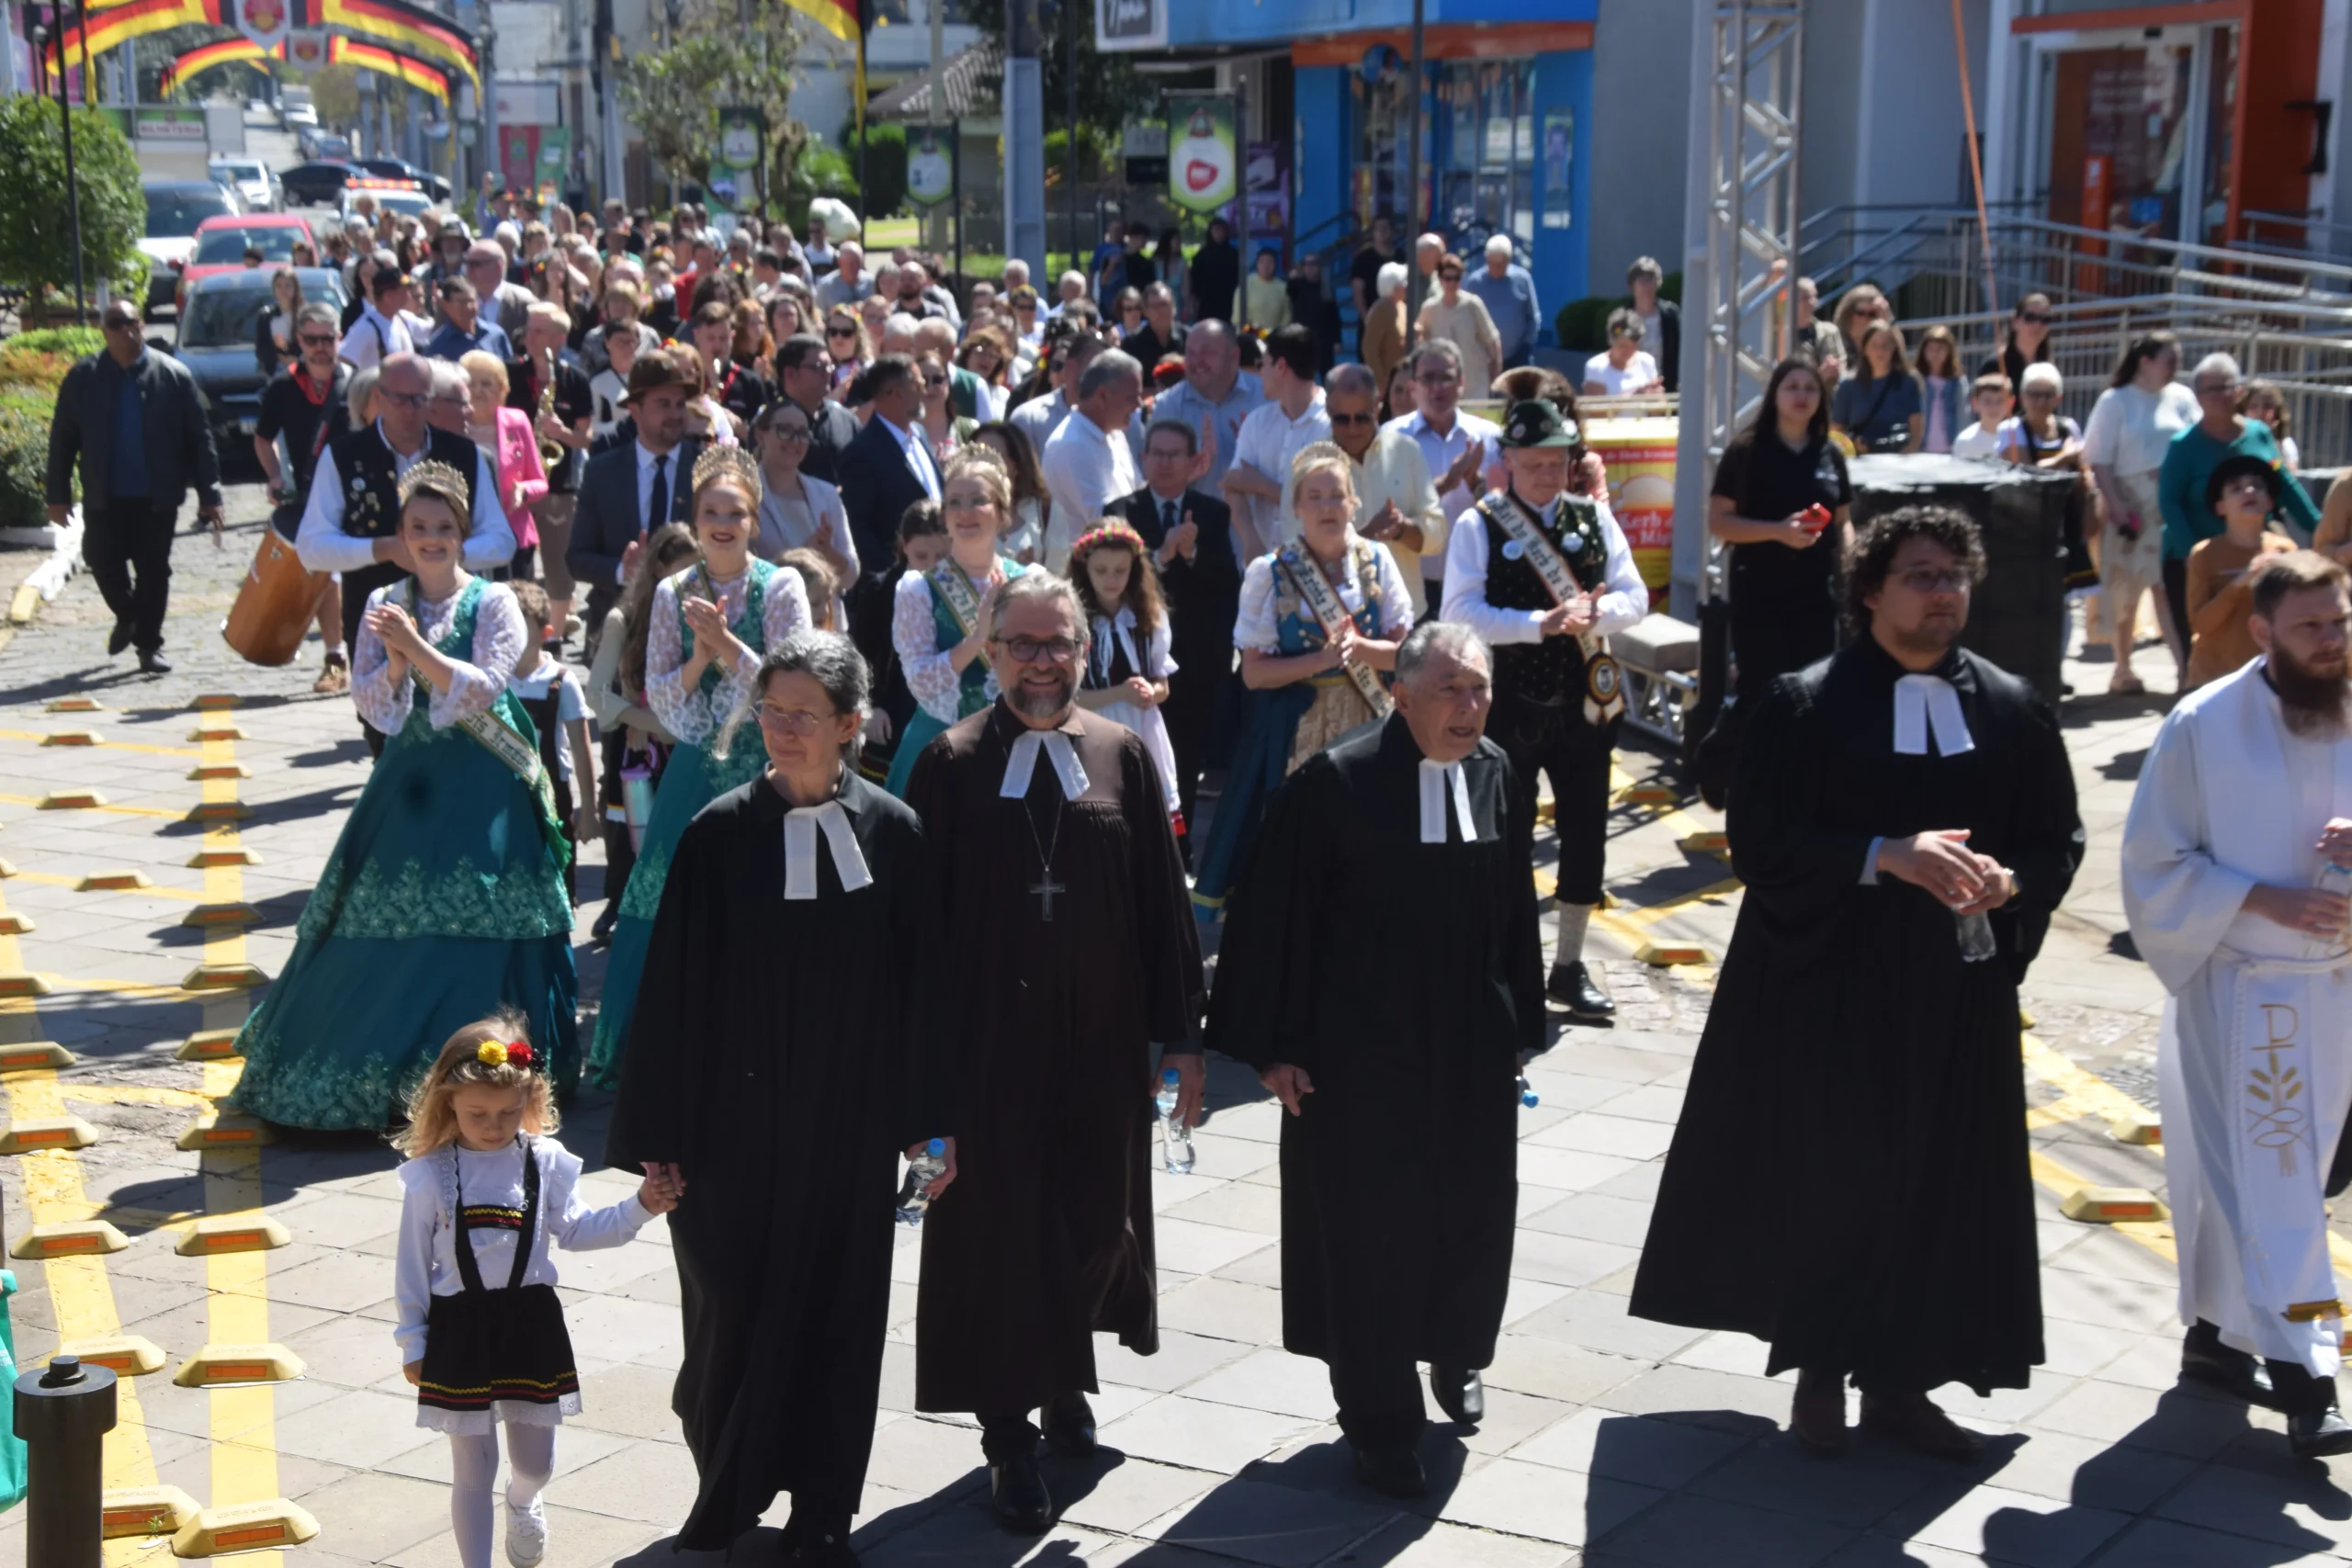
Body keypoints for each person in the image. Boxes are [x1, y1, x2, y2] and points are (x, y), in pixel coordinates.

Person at [1632, 505, 2083, 1460]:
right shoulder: (1806, 704)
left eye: (1954, 575)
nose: (1942, 593)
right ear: (1870, 592)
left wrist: (2009, 883)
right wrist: (1885, 855)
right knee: (1835, 1182)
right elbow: (1762, 840)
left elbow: (2057, 839)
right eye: (1921, 575)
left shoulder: (2010, 706)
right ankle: (1821, 1373)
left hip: (1954, 995)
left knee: (1936, 1186)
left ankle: (1902, 1386)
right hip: (1831, 986)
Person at [605, 633, 946, 1561]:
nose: (783, 730)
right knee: (730, 1308)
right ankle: (727, 1489)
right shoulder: (717, 834)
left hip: (847, 1122)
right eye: (771, 711)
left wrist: (930, 1126)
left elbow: (923, 990)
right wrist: (658, 1132)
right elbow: (671, 994)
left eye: (804, 715)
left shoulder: (894, 833)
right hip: (731, 1130)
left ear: (850, 724)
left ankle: (824, 1511)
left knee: (840, 1313)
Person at [1207, 621, 1542, 1496]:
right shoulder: (1335, 783)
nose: (1469, 706)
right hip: (1360, 1051)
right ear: (1400, 694)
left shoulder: (1495, 770)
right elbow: (1276, 917)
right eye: (1449, 689)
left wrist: (1519, 1026)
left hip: (1468, 1047)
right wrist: (1278, 1048)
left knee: (1470, 1214)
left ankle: (1455, 1349)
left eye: (1479, 688)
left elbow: (1513, 908)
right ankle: (1380, 1418)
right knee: (1369, 1236)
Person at [904, 570, 1205, 1535]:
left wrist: (1184, 1038)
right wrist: (918, 1079)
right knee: (998, 1240)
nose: (1042, 662)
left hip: (1100, 1051)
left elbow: (1162, 903)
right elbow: (915, 933)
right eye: (1023, 644)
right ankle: (1009, 1435)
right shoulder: (951, 762)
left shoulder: (1121, 753)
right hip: (987, 1054)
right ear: (992, 653)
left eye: (1059, 644)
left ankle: (1061, 1365)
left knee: (1094, 1224)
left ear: (1084, 651)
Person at [236, 462, 576, 1126]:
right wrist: (394, 665)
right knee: (380, 919)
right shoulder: (383, 602)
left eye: (443, 527)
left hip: (485, 780)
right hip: (411, 780)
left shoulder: (494, 602)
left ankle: (492, 1080)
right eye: (418, 526)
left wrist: (413, 647)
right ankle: (378, 1083)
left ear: (463, 533)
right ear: (402, 532)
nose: (431, 538)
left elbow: (484, 687)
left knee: (488, 917)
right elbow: (375, 706)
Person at [2121, 550, 2352, 1458]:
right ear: (2261, 632)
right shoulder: (2202, 725)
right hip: (2247, 992)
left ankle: (2216, 1343)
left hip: (2340, 987)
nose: (2331, 642)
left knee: (2257, 1182)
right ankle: (2309, 1379)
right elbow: (2153, 862)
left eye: (2340, 623)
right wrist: (2263, 899)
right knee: (2278, 1186)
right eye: (2310, 627)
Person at [394, 1017, 678, 1568]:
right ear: (449, 1103)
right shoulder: (429, 1175)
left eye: (507, 1112)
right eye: (477, 1113)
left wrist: (641, 1205)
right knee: (472, 1470)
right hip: (459, 1330)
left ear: (530, 1099)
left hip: (531, 1325)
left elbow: (578, 1230)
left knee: (536, 1463)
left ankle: (523, 1499)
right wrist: (413, 1340)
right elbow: (411, 1267)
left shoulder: (544, 1161)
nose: (493, 1125)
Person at [585, 447, 813, 1089]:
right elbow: (663, 696)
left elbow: (794, 680)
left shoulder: (782, 586)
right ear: (696, 518)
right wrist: (700, 656)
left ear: (754, 519)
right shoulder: (671, 591)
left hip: (771, 763)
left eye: (735, 512)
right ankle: (659, 1048)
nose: (722, 523)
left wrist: (726, 644)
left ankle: (771, 1040)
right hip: (696, 767)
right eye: (711, 512)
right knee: (665, 897)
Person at [1443, 399, 1648, 1019]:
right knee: (1504, 837)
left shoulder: (1595, 517)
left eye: (1556, 462)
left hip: (1586, 706)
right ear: (1508, 460)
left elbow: (1635, 596)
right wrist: (1541, 622)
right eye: (1533, 462)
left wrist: (1595, 613)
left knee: (1587, 834)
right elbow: (1459, 613)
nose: (1546, 473)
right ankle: (1503, 964)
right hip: (1508, 706)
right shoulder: (1479, 523)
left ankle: (1569, 964)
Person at [1193, 442, 1413, 916]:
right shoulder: (1269, 573)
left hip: (1369, 723)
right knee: (1300, 848)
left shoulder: (1377, 561)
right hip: (1295, 733)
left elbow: (1405, 655)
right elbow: (1253, 674)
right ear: (1296, 507)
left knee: (1367, 840)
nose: (1327, 507)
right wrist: (1321, 660)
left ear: (1354, 503)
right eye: (1315, 497)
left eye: (1337, 496)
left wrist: (1360, 650)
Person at [296, 354, 516, 730]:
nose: (409, 409)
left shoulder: (463, 454)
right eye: (399, 398)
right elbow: (311, 546)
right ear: (378, 397)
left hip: (456, 615)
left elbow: (501, 540)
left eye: (418, 399)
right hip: (376, 615)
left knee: (462, 723)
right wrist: (381, 549)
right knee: (381, 730)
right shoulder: (344, 454)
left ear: (431, 400)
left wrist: (443, 554)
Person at [43, 298, 223, 674]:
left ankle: (149, 645)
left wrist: (210, 495)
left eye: (132, 322)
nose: (125, 330)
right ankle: (128, 616)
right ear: (103, 331)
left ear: (142, 326)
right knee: (101, 561)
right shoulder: (84, 377)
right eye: (116, 323)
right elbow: (63, 439)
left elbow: (199, 439)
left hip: (157, 496)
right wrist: (57, 496)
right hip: (104, 495)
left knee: (154, 572)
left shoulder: (173, 376)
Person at [1113, 421, 1241, 849]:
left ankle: (1177, 849)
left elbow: (1227, 582)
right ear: (1143, 458)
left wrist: (1193, 552)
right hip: (1134, 663)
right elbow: (1111, 582)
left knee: (1183, 762)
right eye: (1157, 454)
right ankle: (1130, 845)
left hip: (1193, 665)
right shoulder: (1121, 511)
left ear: (1194, 462)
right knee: (1131, 757)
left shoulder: (1212, 512)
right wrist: (1162, 555)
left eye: (1174, 455)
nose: (1165, 463)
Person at [882, 448, 1030, 796]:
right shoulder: (919, 589)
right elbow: (921, 682)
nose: (965, 512)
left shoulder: (1027, 582)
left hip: (1014, 748)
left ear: (1002, 512)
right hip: (939, 748)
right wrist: (979, 636)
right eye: (954, 502)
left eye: (978, 500)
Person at [2159, 353, 2322, 658]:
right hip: (2195, 559)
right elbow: (2168, 501)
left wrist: (2320, 528)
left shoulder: (2259, 434)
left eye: (2227, 387)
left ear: (2239, 391)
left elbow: (2284, 482)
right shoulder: (2184, 445)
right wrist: (2193, 554)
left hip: (2256, 552)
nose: (2220, 396)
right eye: (2211, 389)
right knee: (2200, 644)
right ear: (2198, 396)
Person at [2083, 333, 2198, 694]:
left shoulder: (2182, 398)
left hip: (2171, 507)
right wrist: (2116, 504)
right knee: (2125, 591)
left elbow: (2196, 440)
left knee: (2166, 585)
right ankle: (2123, 667)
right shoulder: (2115, 400)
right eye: (2169, 359)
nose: (2176, 367)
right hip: (2129, 505)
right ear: (2145, 361)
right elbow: (2098, 458)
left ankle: (2184, 669)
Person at [567, 350, 705, 640]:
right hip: (617, 626)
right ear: (635, 410)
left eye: (680, 404)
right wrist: (622, 570)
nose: (675, 414)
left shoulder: (706, 470)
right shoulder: (602, 472)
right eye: (663, 404)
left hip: (691, 628)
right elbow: (577, 559)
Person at [253, 300, 354, 694]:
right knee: (325, 572)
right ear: (299, 341)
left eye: (327, 339)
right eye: (311, 340)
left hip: (357, 494)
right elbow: (263, 439)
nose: (320, 348)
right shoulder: (283, 387)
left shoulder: (356, 382)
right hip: (311, 496)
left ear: (338, 339)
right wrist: (275, 475)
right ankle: (335, 657)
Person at [838, 355, 943, 679]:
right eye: (918, 382)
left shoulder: (919, 435)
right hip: (895, 601)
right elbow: (859, 527)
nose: (925, 388)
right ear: (894, 393)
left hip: (940, 584)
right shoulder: (862, 452)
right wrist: (891, 579)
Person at [1069, 521, 1181, 818]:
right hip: (1090, 731)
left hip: (1142, 728)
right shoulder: (1074, 622)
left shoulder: (1147, 617)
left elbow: (1163, 687)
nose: (1111, 579)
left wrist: (1149, 692)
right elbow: (1069, 698)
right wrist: (1120, 693)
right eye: (1101, 570)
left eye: (1121, 570)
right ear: (1085, 569)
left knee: (1143, 812)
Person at [1388, 340, 1500, 616]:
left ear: (1461, 383)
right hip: (1412, 587)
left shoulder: (1489, 438)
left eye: (1446, 378)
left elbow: (1505, 515)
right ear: (1413, 386)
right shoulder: (1391, 439)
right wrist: (1447, 483)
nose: (1437, 387)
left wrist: (1475, 483)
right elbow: (1388, 512)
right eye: (1428, 378)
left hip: (1475, 586)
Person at [1323, 363, 1445, 615]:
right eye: (1342, 419)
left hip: (1405, 615)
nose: (1353, 428)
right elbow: (1299, 551)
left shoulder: (1406, 451)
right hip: (1338, 619)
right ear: (1328, 411)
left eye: (1362, 418)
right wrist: (1367, 537)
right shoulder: (1310, 463)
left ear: (1377, 409)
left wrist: (1402, 529)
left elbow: (1437, 536)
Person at [509, 305, 595, 637]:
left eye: (539, 331)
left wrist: (561, 433)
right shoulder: (511, 373)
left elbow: (586, 439)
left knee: (558, 564)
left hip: (558, 485)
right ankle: (521, 633)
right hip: (516, 484)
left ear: (559, 339)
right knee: (519, 563)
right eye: (528, 329)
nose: (529, 337)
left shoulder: (576, 380)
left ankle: (555, 636)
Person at [2185, 455, 2301, 689]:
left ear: (2269, 502)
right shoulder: (2203, 554)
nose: (2249, 491)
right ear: (2220, 507)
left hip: (2270, 678)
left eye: (2257, 486)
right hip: (2214, 679)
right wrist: (2241, 581)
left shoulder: (2286, 550)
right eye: (2236, 488)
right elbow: (2200, 624)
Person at [1223, 325, 1330, 555]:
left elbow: (1325, 503)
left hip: (1316, 565)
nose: (1259, 373)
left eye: (1262, 364)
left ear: (1281, 366)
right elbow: (1232, 485)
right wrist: (1250, 539)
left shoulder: (1332, 425)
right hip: (1261, 565)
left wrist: (1260, 485)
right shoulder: (1257, 421)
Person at [1040, 350, 1144, 570]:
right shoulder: (1071, 444)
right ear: (1102, 395)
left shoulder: (1115, 434)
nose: (1139, 404)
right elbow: (1105, 525)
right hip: (1086, 578)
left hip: (1117, 570)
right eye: (1131, 397)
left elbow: (1139, 496)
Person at [751, 400, 857, 607]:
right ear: (760, 436)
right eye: (785, 430)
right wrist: (802, 557)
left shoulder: (827, 494)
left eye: (802, 433)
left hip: (827, 619)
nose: (795, 440)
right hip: (773, 614)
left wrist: (828, 552)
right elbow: (739, 572)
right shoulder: (744, 495)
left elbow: (851, 576)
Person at [458, 351, 549, 580]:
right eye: (471, 383)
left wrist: (523, 491)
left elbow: (540, 483)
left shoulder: (517, 421)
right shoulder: (454, 425)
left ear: (502, 390)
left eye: (486, 384)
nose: (478, 390)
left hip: (514, 534)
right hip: (466, 539)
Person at [1152, 320, 1267, 491]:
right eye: (1190, 353)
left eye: (1207, 352)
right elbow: (1155, 486)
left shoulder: (1266, 397)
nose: (1197, 361)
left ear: (1234, 356)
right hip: (1194, 509)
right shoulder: (1168, 406)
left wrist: (1257, 457)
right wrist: (1189, 473)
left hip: (1257, 509)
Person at [775, 333, 861, 486]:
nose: (828, 373)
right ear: (790, 374)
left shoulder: (845, 420)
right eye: (819, 367)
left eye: (829, 366)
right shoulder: (770, 423)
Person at [1417, 253, 1501, 403]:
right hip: (1443, 387)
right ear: (1440, 279)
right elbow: (1420, 342)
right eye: (1448, 278)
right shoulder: (1429, 308)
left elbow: (1492, 340)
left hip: (1475, 385)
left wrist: (1495, 376)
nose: (1452, 283)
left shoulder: (1473, 304)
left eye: (1456, 278)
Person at [1829, 321, 1924, 454]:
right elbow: (1836, 432)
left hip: (1898, 460)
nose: (1880, 351)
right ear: (1864, 349)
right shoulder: (1847, 386)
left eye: (1886, 345)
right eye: (1874, 346)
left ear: (1894, 348)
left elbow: (1916, 433)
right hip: (1860, 459)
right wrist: (1853, 444)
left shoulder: (1908, 383)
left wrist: (1906, 454)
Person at [1462, 235, 1539, 370]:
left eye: (1500, 265)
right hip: (1483, 357)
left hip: (1518, 357)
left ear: (1509, 260)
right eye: (1491, 264)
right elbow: (1466, 317)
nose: (1495, 269)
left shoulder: (1522, 279)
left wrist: (1527, 345)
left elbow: (1533, 317)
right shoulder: (1475, 282)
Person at [342, 262, 432, 370]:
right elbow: (343, 359)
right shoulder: (365, 328)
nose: (409, 295)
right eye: (404, 290)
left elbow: (432, 331)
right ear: (389, 296)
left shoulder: (403, 318)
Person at [425, 277, 514, 365]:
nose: (468, 307)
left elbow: (508, 370)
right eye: (461, 302)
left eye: (471, 301)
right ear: (446, 305)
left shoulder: (496, 335)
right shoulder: (437, 346)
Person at [1626, 255, 1681, 394]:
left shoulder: (1670, 315)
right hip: (1631, 389)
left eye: (1651, 279)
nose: (1647, 285)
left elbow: (1679, 351)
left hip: (1665, 388)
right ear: (1632, 285)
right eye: (1642, 280)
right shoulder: (1623, 317)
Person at [1983, 291, 2054, 392]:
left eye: (2045, 319)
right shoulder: (1996, 365)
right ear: (2014, 322)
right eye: (2030, 318)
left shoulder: (2047, 367)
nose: (2037, 324)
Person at [1581, 309, 1662, 398]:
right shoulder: (1596, 366)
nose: (1628, 351)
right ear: (1611, 340)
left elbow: (1660, 404)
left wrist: (1656, 396)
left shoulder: (1647, 361)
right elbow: (1595, 406)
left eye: (1634, 346)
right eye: (1622, 346)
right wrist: (1635, 397)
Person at [1915, 326, 1965, 455]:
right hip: (1923, 447)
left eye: (1940, 349)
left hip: (1950, 446)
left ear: (1949, 351)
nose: (1935, 354)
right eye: (1931, 349)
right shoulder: (1917, 380)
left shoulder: (1957, 382)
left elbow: (1963, 414)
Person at [1361, 262, 1409, 396]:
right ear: (1393, 286)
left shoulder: (1402, 306)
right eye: (1404, 282)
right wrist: (1381, 382)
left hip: (1402, 379)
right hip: (1388, 383)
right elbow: (1369, 348)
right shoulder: (1381, 309)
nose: (1407, 286)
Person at [1350, 214, 1405, 329]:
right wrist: (1366, 319)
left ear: (1392, 231)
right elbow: (1358, 292)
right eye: (1378, 228)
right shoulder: (1363, 258)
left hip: (1397, 320)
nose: (1382, 232)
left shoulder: (1402, 257)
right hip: (1371, 320)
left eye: (1385, 227)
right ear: (1373, 232)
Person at [1122, 282, 1187, 374]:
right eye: (1154, 307)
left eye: (1164, 304)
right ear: (1145, 311)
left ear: (1174, 308)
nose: (1160, 311)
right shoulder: (1131, 343)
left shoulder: (1188, 338)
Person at [255, 265, 305, 379]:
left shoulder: (305, 315)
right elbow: (261, 350)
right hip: (274, 372)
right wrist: (280, 358)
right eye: (279, 286)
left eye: (288, 286)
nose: (283, 290)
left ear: (295, 288)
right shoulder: (266, 316)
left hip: (302, 371)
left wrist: (297, 359)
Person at [1189, 216, 1240, 323]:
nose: (1219, 233)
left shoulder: (1234, 254)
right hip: (1206, 304)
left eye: (1222, 230)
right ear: (1210, 232)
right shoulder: (1201, 256)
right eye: (1216, 230)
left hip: (1229, 303)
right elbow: (1195, 283)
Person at [2243, 378, 2301, 472]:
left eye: (2267, 406)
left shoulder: (2285, 445)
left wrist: (2272, 448)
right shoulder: (2236, 442)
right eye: (2253, 406)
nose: (2260, 412)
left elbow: (2287, 475)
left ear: (2276, 412)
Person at [1951, 374, 2013, 460]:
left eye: (2000, 401)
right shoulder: (1966, 441)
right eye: (1987, 401)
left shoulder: (2017, 437)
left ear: (2010, 403)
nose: (1994, 407)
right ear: (1975, 403)